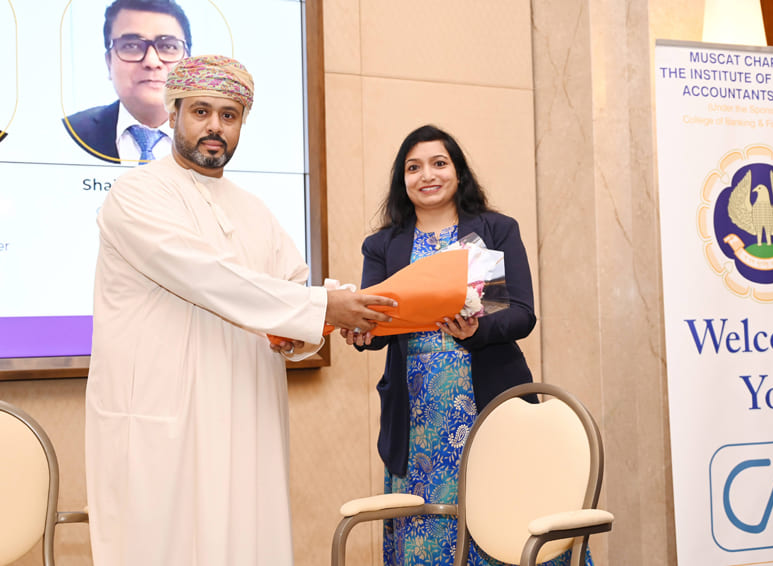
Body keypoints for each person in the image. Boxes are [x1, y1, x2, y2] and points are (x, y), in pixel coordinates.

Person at [85, 54, 396, 566]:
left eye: (229, 115)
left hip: (246, 419)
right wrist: (322, 306)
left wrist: (310, 328)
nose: (215, 126)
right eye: (201, 112)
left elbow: (289, 288)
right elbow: (209, 278)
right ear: (172, 113)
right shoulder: (134, 194)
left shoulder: (255, 210)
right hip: (166, 425)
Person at [343, 125, 592, 565]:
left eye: (439, 163)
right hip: (418, 413)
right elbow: (376, 319)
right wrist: (361, 333)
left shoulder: (494, 230)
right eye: (414, 167)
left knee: (504, 515)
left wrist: (475, 331)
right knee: (428, 526)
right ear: (402, 180)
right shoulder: (383, 245)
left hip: (488, 396)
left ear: (458, 172)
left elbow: (521, 313)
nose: (427, 175)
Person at [62, 0, 191, 163]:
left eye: (168, 47)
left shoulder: (216, 136)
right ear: (109, 62)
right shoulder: (70, 132)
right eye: (131, 46)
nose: (152, 62)